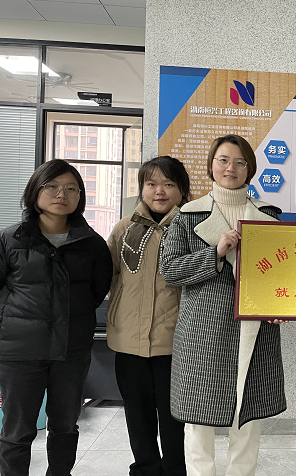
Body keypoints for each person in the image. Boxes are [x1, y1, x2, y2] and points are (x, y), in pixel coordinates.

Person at [0, 159, 112, 476]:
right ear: (35, 191)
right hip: (19, 354)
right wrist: (14, 322)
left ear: (80, 197)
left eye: (71, 188)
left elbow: (96, 291)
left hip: (71, 351)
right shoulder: (4, 241)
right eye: (52, 186)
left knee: (65, 426)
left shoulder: (92, 245)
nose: (62, 194)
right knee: (17, 431)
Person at [160, 134, 286, 476]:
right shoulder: (187, 216)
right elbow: (170, 270)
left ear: (250, 169)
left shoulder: (269, 216)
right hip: (203, 330)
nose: (231, 168)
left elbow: (282, 275)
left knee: (247, 414)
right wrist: (214, 253)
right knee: (197, 417)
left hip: (255, 328)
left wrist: (281, 305)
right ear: (211, 165)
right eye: (224, 160)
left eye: (240, 162)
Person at [106, 156, 191, 476]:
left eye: (169, 184)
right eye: (151, 183)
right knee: (137, 415)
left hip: (176, 342)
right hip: (128, 340)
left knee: (174, 418)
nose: (159, 191)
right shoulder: (124, 228)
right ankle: (144, 470)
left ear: (182, 190)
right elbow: (109, 276)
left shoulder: (193, 227)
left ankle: (175, 471)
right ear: (141, 188)